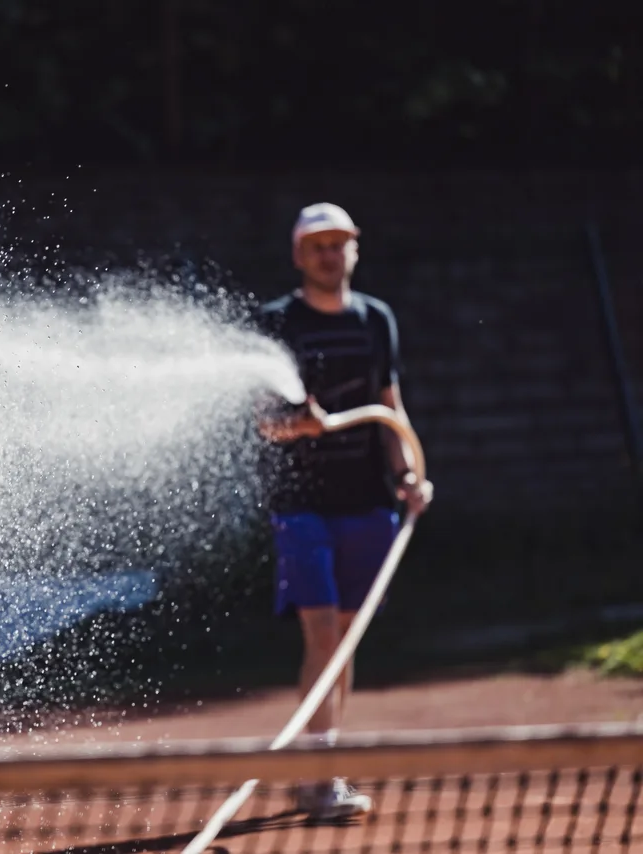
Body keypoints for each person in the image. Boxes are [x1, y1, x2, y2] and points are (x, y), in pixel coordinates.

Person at [254, 202, 433, 819]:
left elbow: (391, 406)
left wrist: (410, 473)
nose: (330, 255)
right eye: (318, 246)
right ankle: (319, 777)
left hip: (368, 506)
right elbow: (265, 424)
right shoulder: (277, 323)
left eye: (340, 244)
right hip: (301, 507)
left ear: (353, 249)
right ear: (299, 254)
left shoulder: (376, 320)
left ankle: (319, 769)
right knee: (324, 635)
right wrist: (297, 426)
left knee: (344, 643)